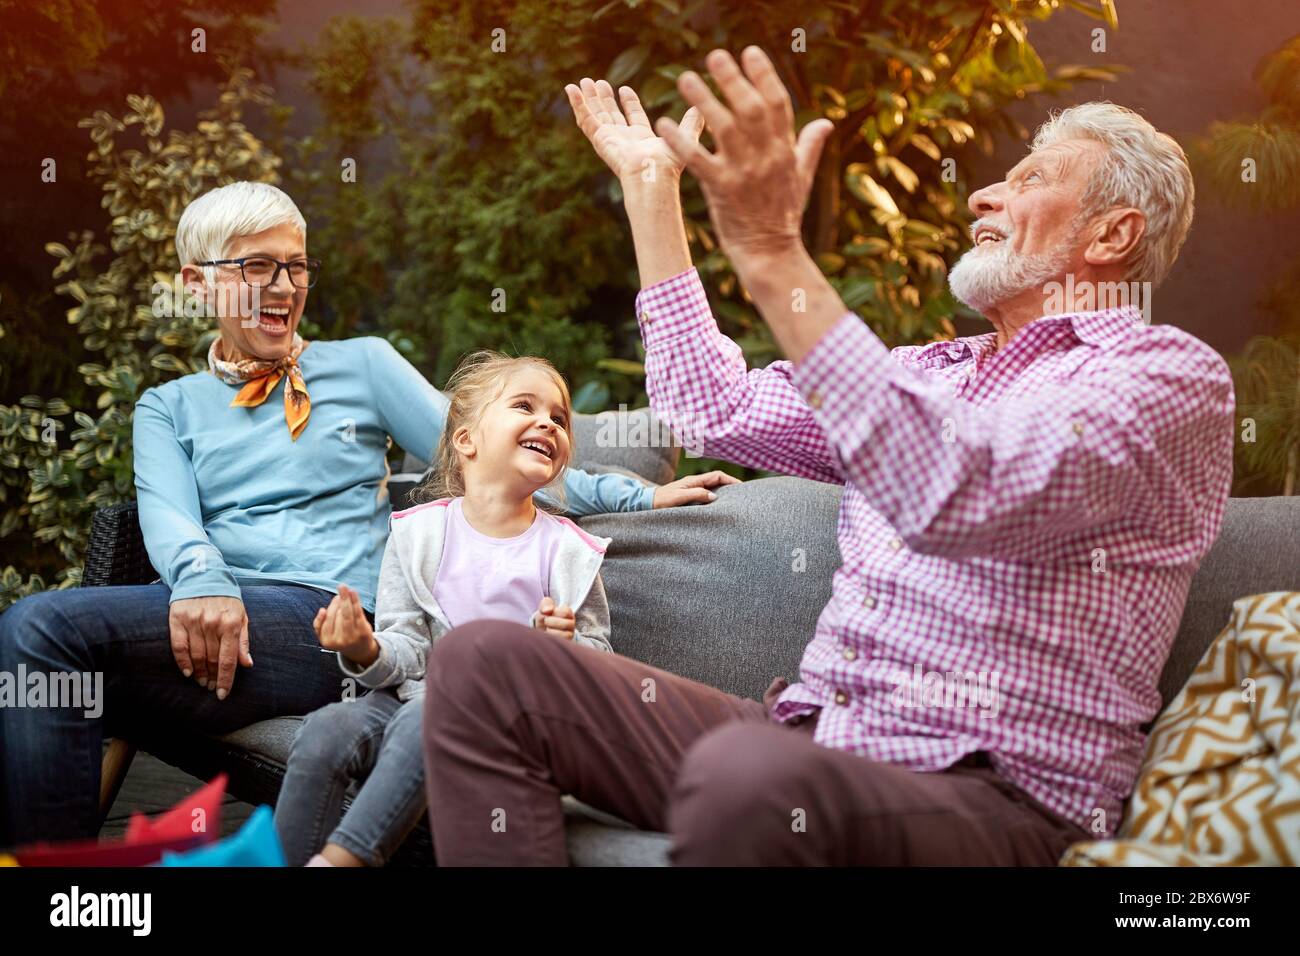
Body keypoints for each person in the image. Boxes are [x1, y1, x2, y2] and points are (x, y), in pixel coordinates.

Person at [421, 48, 1235, 865]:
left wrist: (773, 251)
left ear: (1113, 232)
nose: (985, 193)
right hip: (813, 737)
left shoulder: (1165, 380)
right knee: (483, 664)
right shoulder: (924, 372)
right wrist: (652, 192)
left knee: (751, 775)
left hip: (996, 793)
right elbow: (714, 407)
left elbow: (955, 492)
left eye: (1030, 180)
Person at [0, 181, 732, 846]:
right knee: (47, 651)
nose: (284, 286)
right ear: (198, 284)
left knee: (39, 629)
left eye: (296, 266)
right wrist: (202, 581)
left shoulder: (364, 364)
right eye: (258, 267)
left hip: (330, 622)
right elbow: (168, 519)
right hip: (207, 616)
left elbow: (482, 454)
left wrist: (638, 493)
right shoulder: (167, 407)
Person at [274, 351, 616, 866]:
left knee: (426, 719)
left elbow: (603, 660)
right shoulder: (418, 534)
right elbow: (407, 646)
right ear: (466, 440)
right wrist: (366, 649)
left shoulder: (569, 552)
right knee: (326, 729)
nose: (547, 422)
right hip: (407, 696)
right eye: (524, 406)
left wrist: (565, 647)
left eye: (559, 418)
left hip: (503, 720)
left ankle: (342, 861)